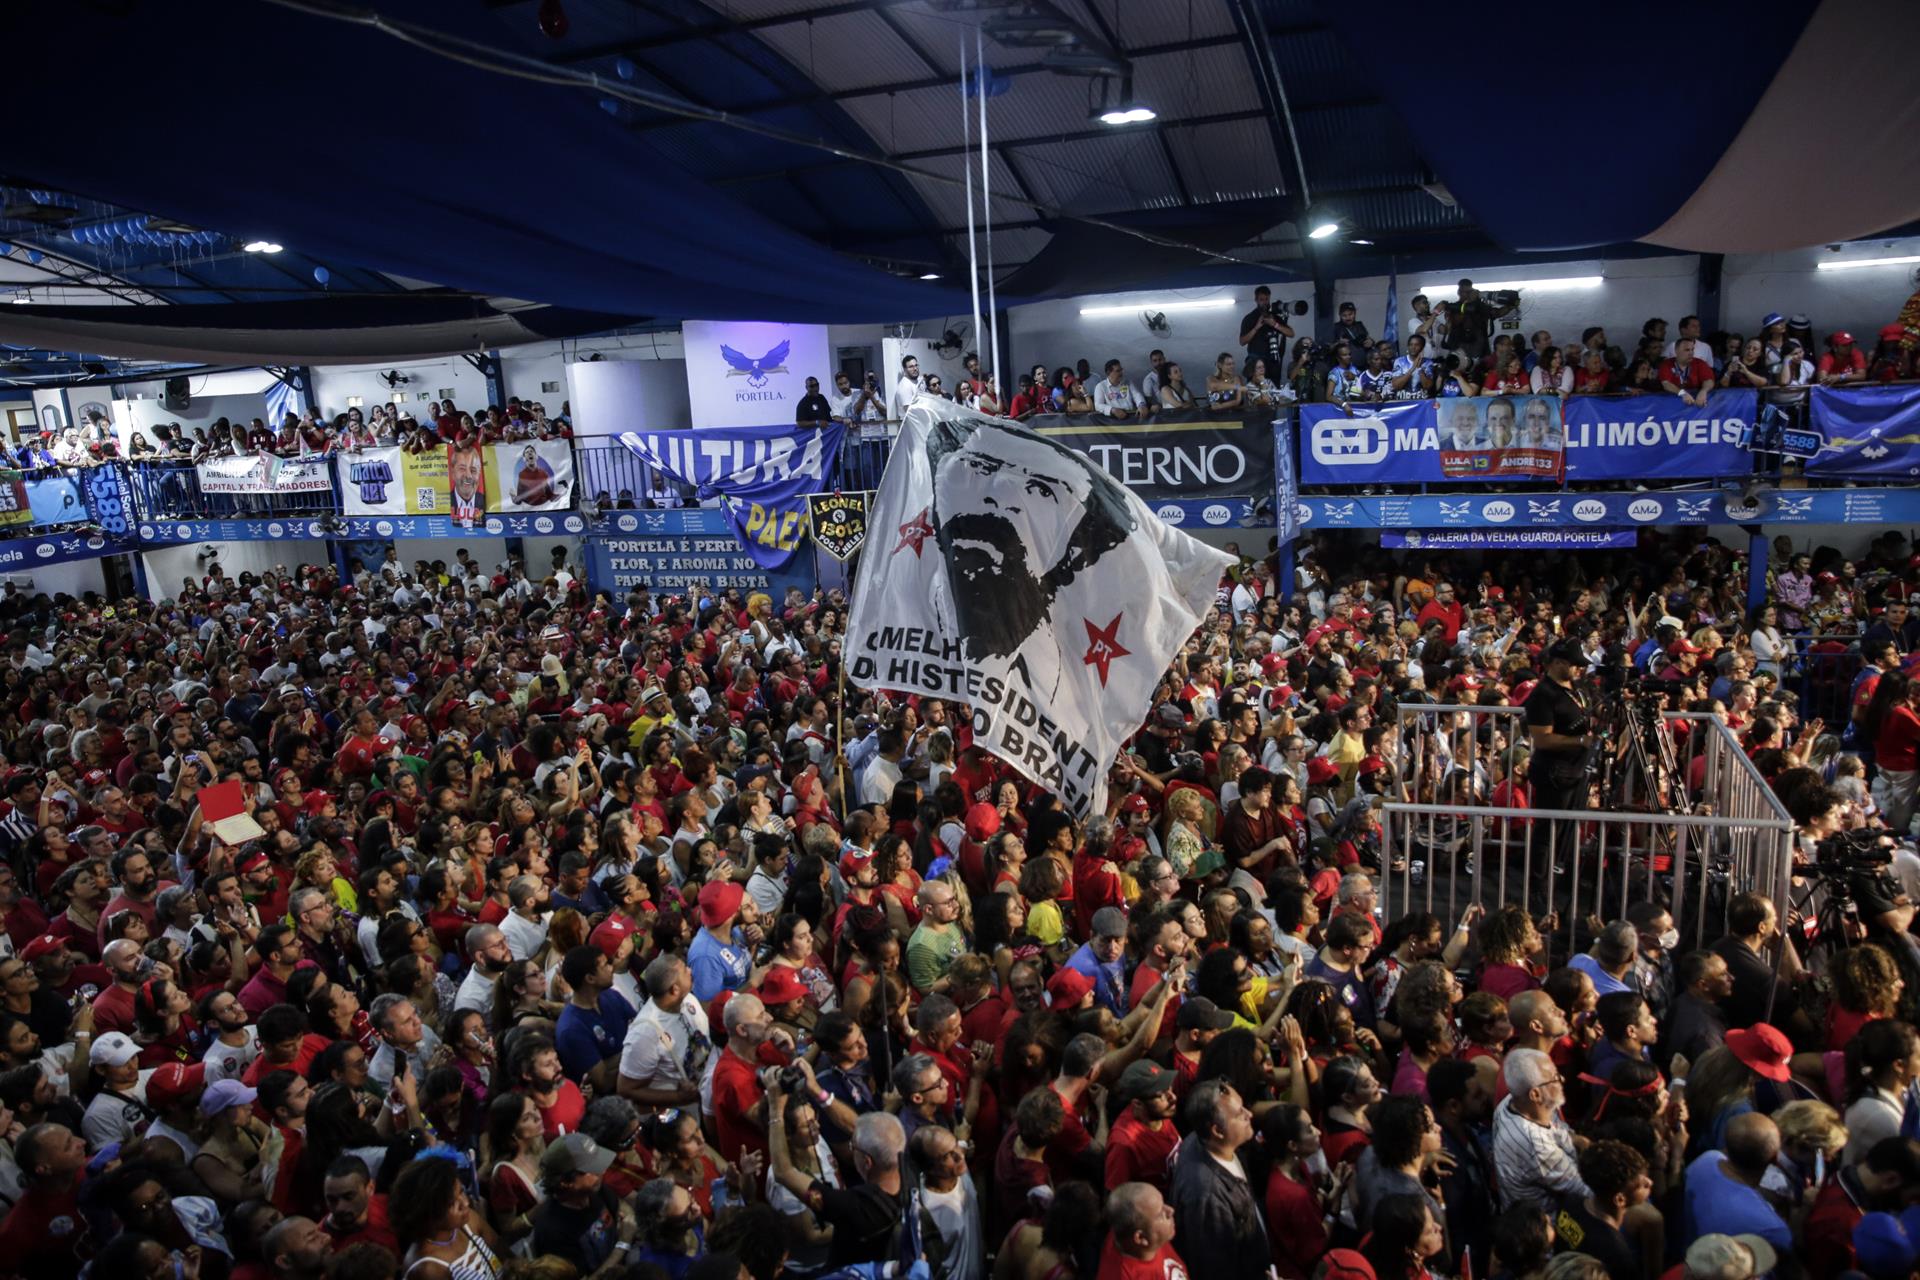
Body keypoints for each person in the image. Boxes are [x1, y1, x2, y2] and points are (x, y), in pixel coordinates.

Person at [1168, 1080, 1267, 1280]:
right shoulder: (1207, 1195)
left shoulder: (1202, 1140)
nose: (1250, 1114)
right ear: (1217, 1131)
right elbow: (1216, 1268)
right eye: (1240, 1114)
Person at [1099, 1182, 1186, 1280]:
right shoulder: (1121, 1274)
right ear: (1140, 1238)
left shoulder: (1130, 1232)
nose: (1171, 1210)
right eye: (1160, 1214)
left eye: (1164, 1204)